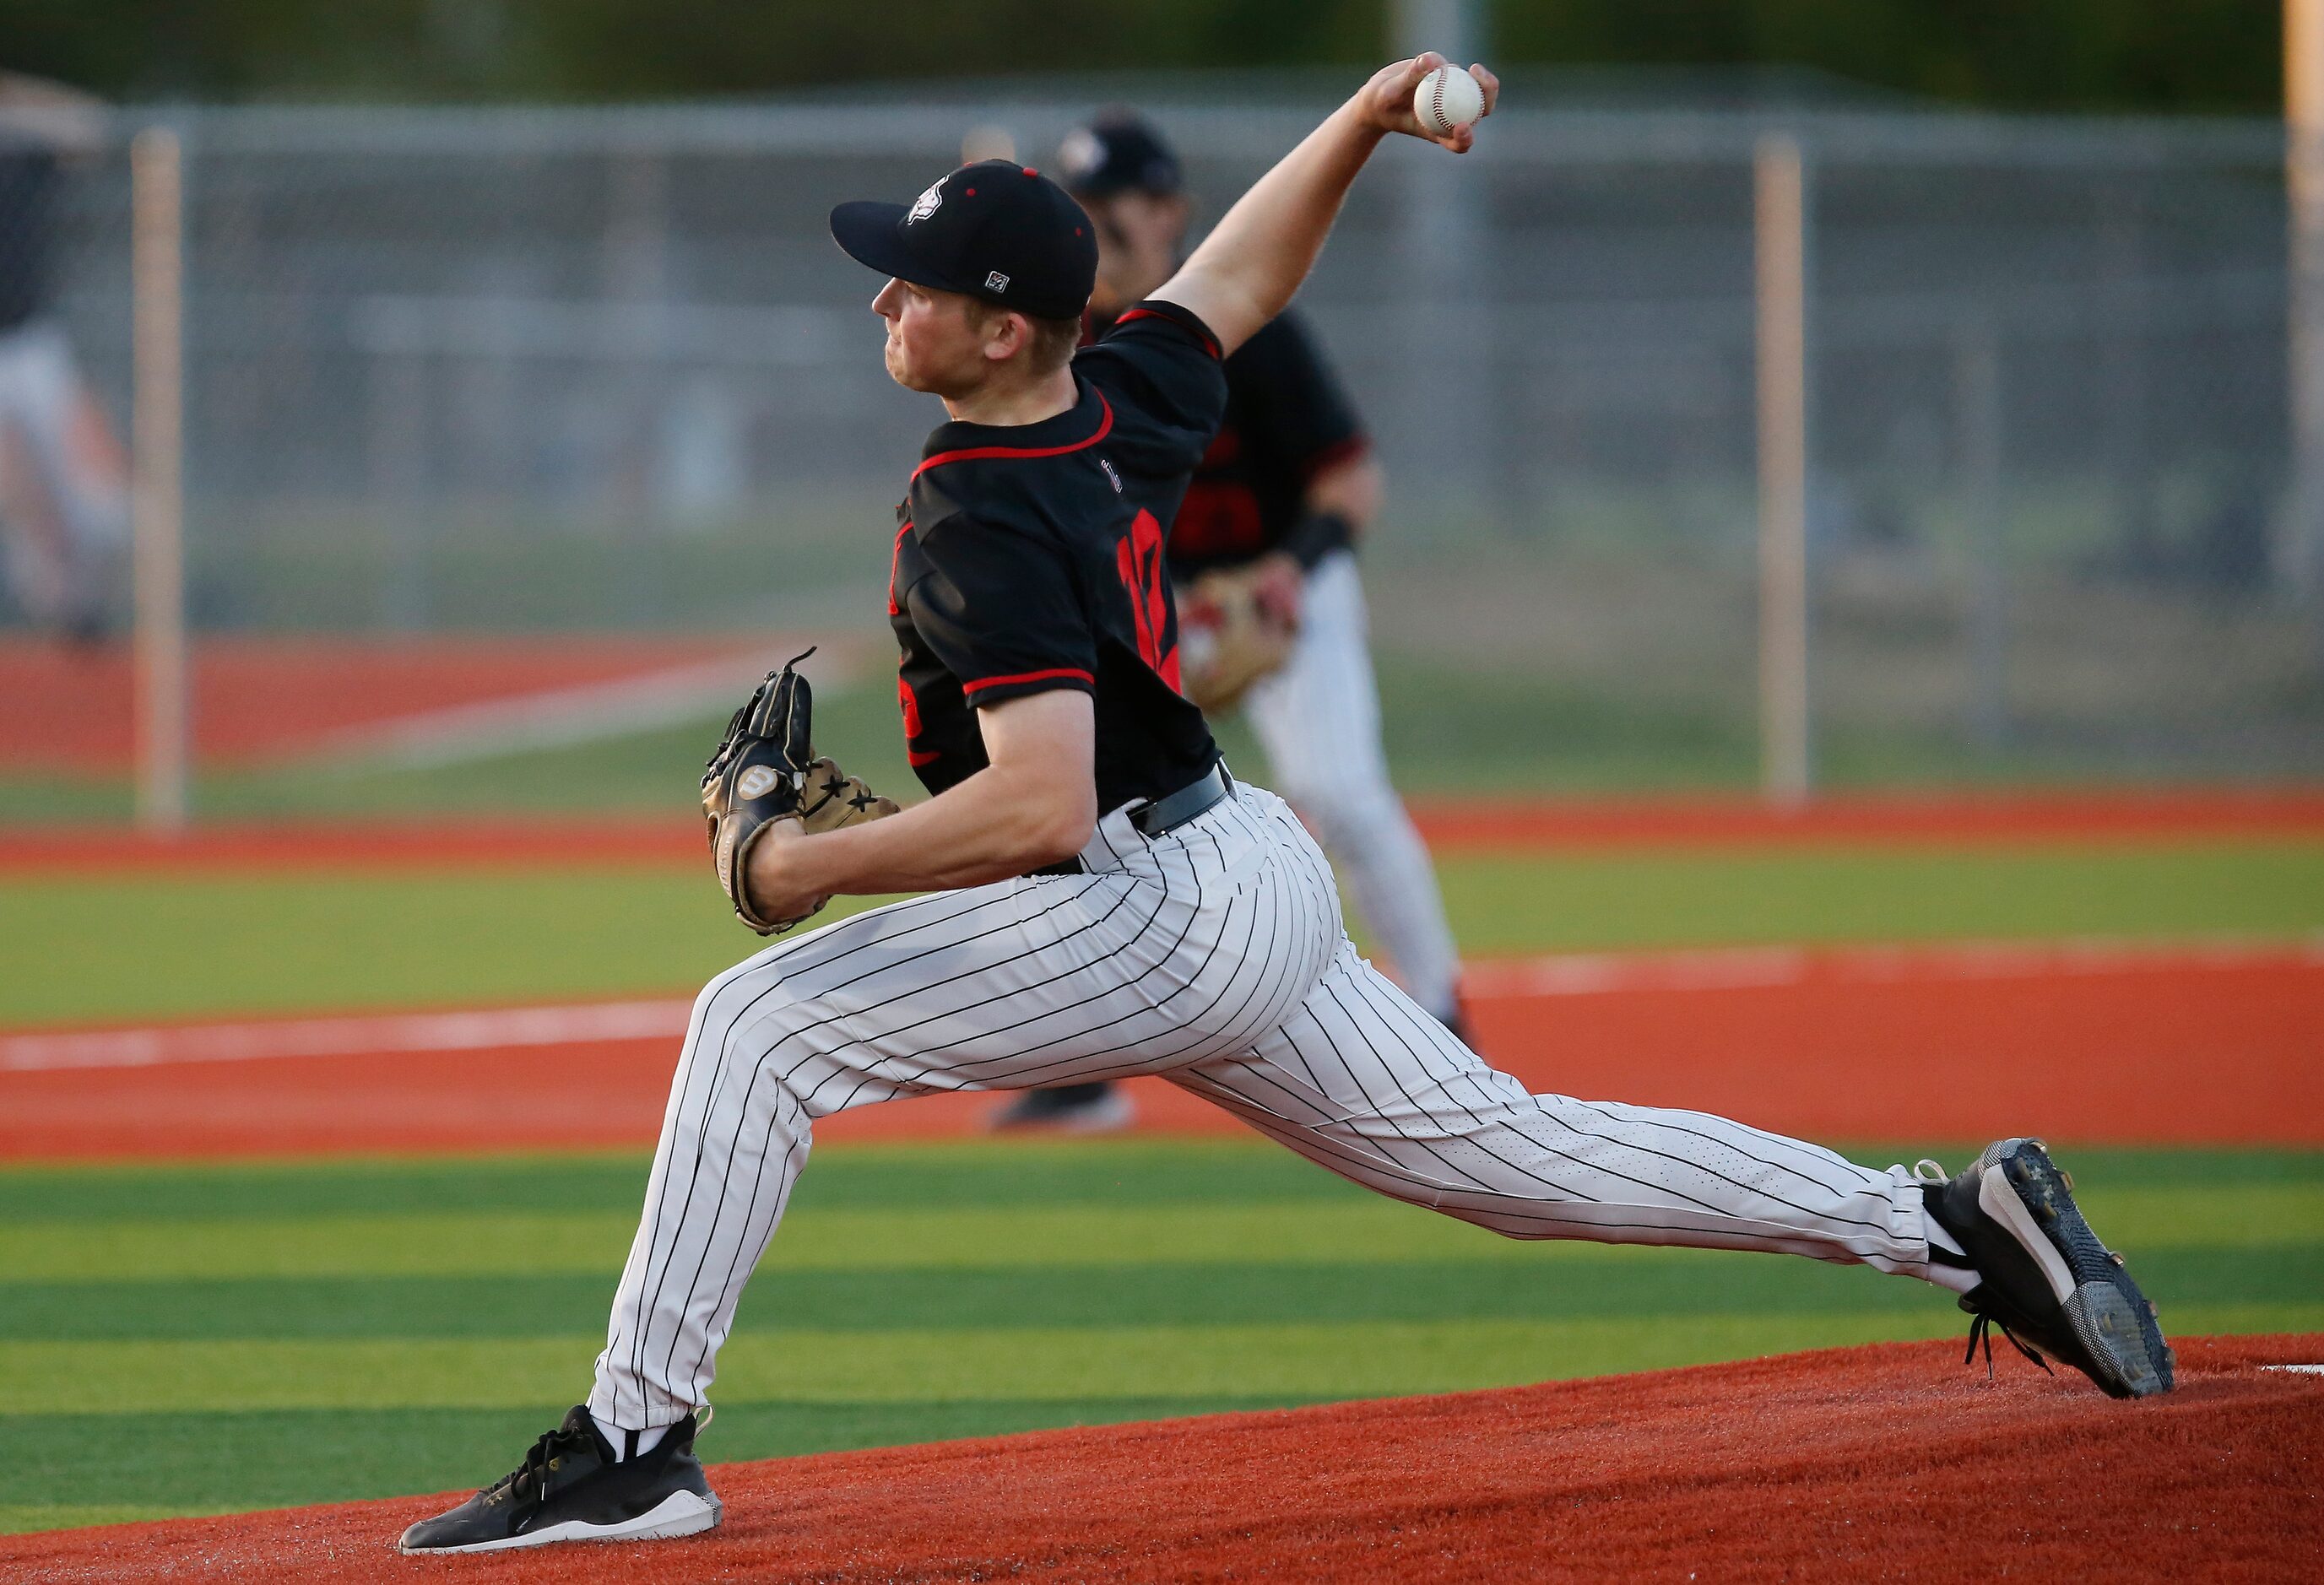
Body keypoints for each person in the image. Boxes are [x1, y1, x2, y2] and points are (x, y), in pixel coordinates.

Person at [398, 54, 2170, 1556]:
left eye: (913, 282)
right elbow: (1238, 280)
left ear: (1002, 325)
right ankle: (1941, 1221)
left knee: (754, 1027)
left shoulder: (971, 507)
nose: (882, 299)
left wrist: (796, 867)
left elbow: (1034, 807)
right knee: (1514, 1156)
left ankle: (632, 1448)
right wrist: (1365, 111)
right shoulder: (1107, 392)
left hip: (1145, 907)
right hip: (1239, 872)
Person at [992, 111, 1471, 1133]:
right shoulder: (1061, 343)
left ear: (1170, 212)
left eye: (1112, 205)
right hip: (1152, 606)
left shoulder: (1232, 325)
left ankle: (1441, 1014)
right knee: (1072, 808)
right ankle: (1080, 1067)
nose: (1096, 228)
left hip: (1276, 588)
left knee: (1336, 790)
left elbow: (1350, 481)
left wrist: (1287, 573)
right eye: (1077, 209)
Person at [0, 73, 129, 644]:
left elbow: (92, 128)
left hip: (31, 338)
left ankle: (85, 601)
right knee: (17, 485)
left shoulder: (23, 144)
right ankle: (55, 598)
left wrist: (14, 96)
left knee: (102, 491)